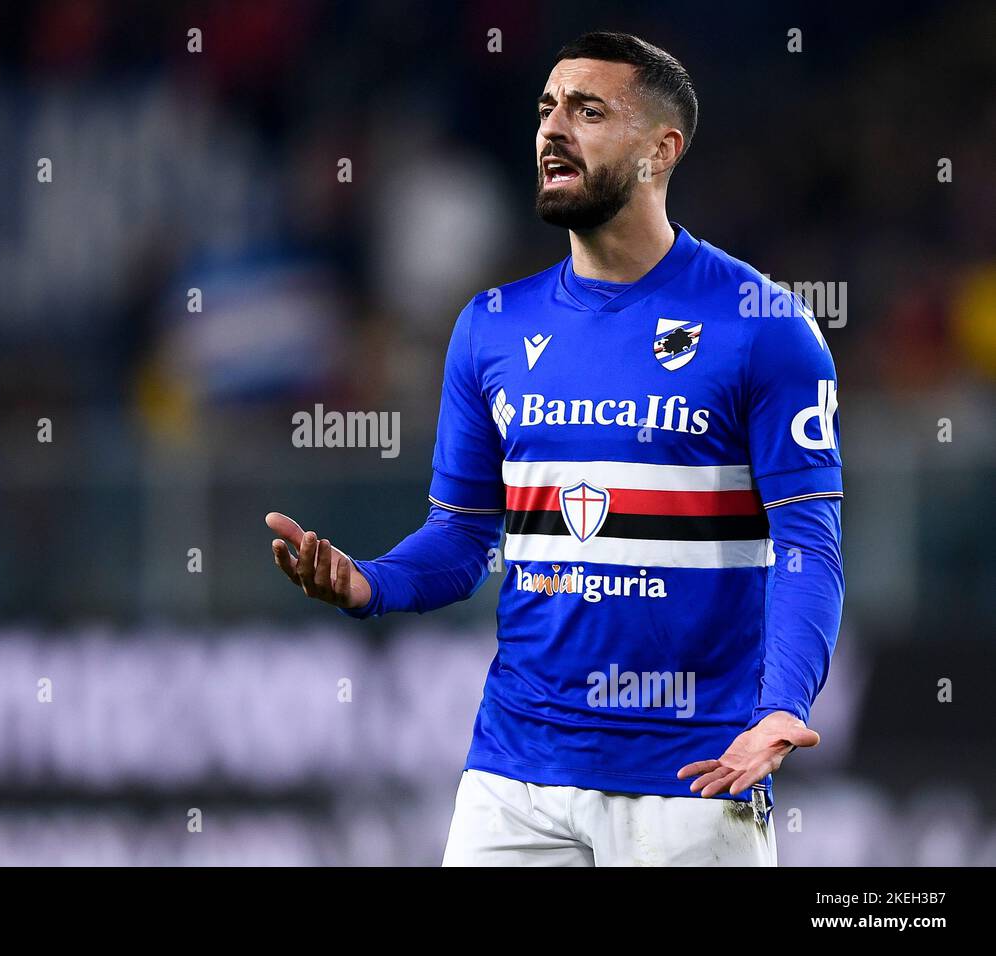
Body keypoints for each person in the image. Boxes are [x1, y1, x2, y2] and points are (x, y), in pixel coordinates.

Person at [267, 31, 843, 866]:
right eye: (546, 109)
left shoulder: (766, 329)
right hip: (513, 778)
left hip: (692, 777)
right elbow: (463, 537)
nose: (553, 129)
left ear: (660, 150)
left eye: (588, 110)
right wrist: (372, 581)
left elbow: (808, 543)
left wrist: (784, 703)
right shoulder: (490, 328)